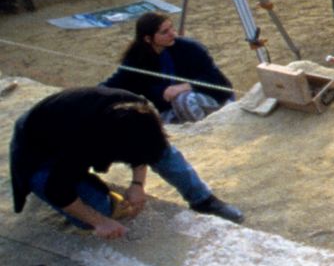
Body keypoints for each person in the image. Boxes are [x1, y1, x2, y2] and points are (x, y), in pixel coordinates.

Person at [9, 86, 243, 239]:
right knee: (98, 210)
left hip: (79, 128)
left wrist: (137, 185)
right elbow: (57, 189)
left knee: (164, 153)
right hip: (37, 150)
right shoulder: (81, 139)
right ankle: (91, 191)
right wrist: (100, 222)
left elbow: (148, 148)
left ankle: (202, 199)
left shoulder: (139, 112)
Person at [102, 13, 235, 124]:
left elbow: (219, 81)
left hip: (215, 99)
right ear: (148, 39)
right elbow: (115, 85)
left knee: (184, 99)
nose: (172, 34)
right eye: (165, 32)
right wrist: (89, 97)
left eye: (171, 28)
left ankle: (205, 132)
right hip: (170, 110)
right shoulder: (136, 60)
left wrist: (184, 87)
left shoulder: (189, 48)